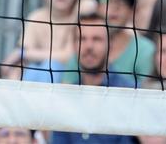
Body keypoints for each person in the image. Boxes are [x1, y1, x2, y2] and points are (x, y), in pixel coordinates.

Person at [52, 14, 138, 144]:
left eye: (96, 39)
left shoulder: (131, 93)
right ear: (74, 45)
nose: (89, 46)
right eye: (82, 39)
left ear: (110, 45)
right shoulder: (65, 98)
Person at [10, 0, 80, 79]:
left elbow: (70, 56)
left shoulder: (79, 14)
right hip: (40, 72)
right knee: (29, 70)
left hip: (71, 77)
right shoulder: (36, 17)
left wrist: (23, 53)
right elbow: (25, 52)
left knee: (51, 66)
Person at [98, 0, 156, 81]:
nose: (115, 7)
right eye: (107, 0)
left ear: (131, 12)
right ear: (97, 8)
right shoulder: (83, 45)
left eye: (122, 2)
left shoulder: (145, 50)